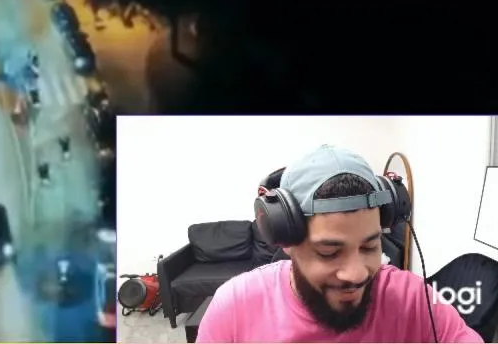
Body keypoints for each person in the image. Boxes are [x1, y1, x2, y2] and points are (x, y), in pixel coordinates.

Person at [196, 145, 482, 343]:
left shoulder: (413, 299)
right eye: (329, 252)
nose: (356, 273)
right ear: (287, 242)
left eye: (370, 247)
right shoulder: (234, 308)